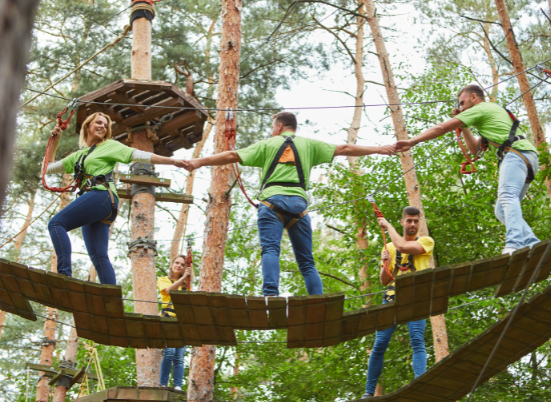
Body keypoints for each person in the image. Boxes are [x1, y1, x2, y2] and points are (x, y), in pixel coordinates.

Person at [185, 111, 395, 296]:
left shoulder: (268, 144)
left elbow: (232, 155)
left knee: (270, 250)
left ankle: (270, 296)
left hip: (271, 203)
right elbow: (344, 148)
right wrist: (378, 149)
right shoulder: (309, 145)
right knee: (306, 261)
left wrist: (198, 162)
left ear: (278, 126)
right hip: (299, 207)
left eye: (272, 127)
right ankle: (318, 300)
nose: (271, 131)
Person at [395, 85, 539, 255]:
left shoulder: (481, 108)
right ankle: (532, 243)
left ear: (473, 97)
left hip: (516, 155)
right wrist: (464, 126)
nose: (461, 107)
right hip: (526, 157)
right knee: (501, 210)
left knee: (507, 196)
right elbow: (474, 149)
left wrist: (413, 141)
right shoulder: (490, 113)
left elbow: (441, 128)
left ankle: (514, 243)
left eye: (462, 103)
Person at [45, 112, 188, 284]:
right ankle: (111, 300)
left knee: (56, 223)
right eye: (98, 123)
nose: (102, 127)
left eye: (105, 126)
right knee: (99, 256)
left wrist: (173, 162)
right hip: (99, 203)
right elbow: (49, 168)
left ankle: (64, 275)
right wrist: (55, 140)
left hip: (101, 196)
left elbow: (139, 155)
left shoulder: (109, 146)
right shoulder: (79, 156)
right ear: (88, 126)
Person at [361, 206, 434, 399]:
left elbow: (404, 247)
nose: (412, 224)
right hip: (392, 295)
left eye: (415, 221)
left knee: (417, 339)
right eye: (409, 220)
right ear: (403, 222)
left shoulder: (426, 242)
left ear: (419, 223)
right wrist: (385, 262)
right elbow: (385, 281)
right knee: (380, 343)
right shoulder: (390, 248)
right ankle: (369, 392)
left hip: (416, 296)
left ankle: (419, 383)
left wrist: (387, 225)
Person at [157, 254, 192, 391]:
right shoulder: (163, 280)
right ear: (172, 264)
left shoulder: (186, 287)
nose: (179, 266)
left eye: (183, 265)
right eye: (177, 263)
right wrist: (184, 278)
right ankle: (163, 384)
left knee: (179, 356)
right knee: (169, 352)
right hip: (168, 318)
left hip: (182, 321)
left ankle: (177, 385)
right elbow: (168, 291)